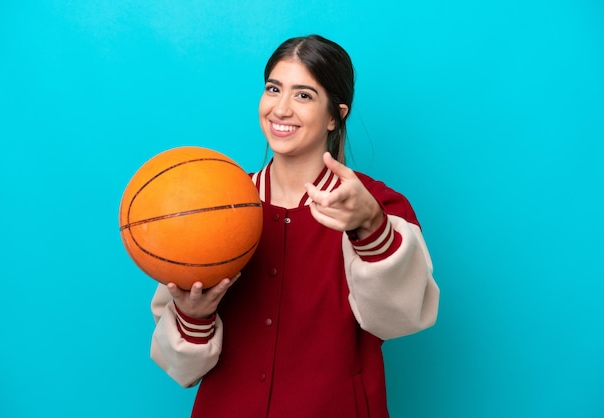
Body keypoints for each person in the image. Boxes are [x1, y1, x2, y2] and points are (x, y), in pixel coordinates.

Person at [150, 34, 439, 417]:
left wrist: (371, 229)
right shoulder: (214, 206)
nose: (281, 109)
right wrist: (194, 316)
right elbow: (181, 368)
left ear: (336, 115)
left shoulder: (378, 206)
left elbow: (401, 319)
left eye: (303, 95)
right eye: (273, 89)